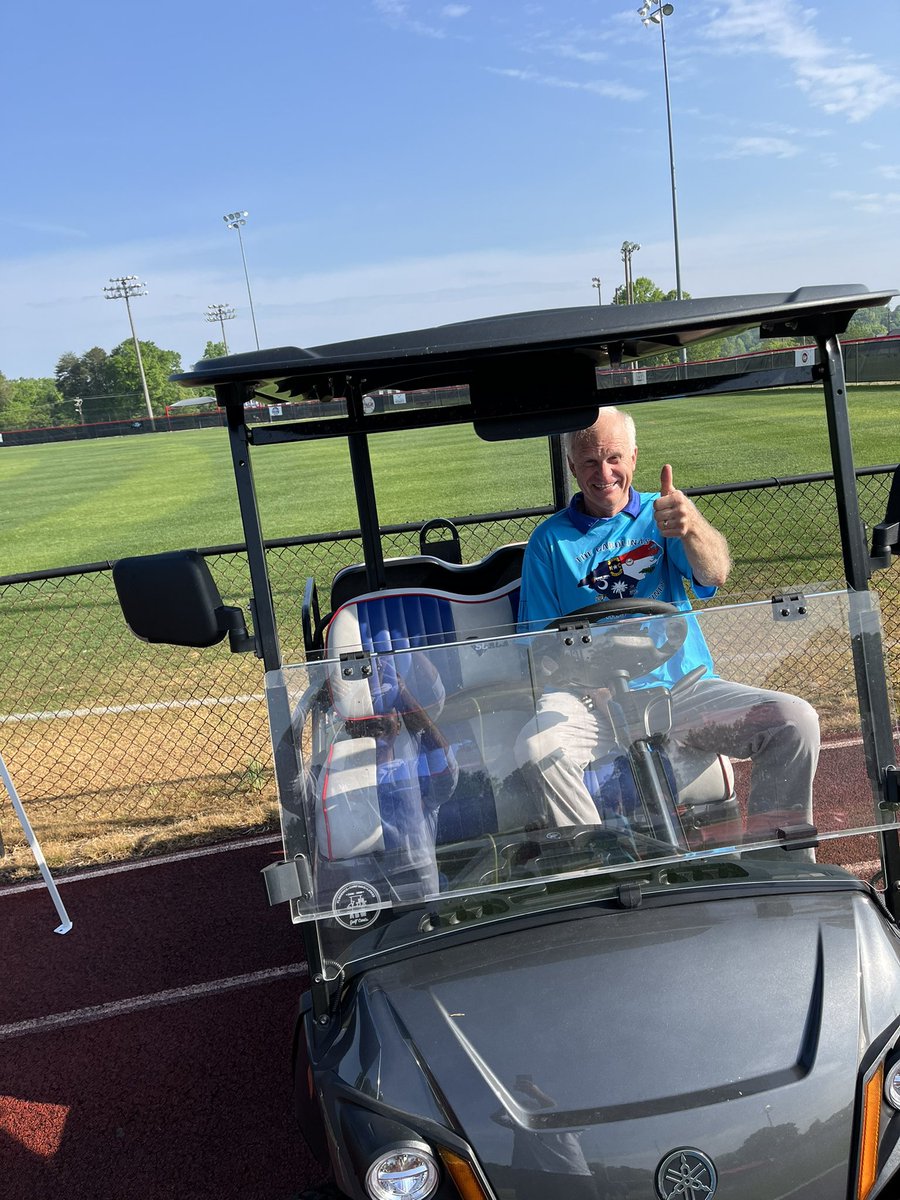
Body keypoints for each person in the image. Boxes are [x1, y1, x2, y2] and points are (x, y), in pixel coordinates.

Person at [513, 406, 820, 842]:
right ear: (572, 466)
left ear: (634, 458)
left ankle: (781, 860)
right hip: (592, 703)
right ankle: (600, 867)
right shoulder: (549, 542)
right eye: (589, 461)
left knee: (795, 721)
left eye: (614, 457)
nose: (604, 472)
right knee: (537, 746)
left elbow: (714, 574)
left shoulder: (663, 518)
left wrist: (692, 527)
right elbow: (540, 643)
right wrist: (587, 685)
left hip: (679, 690)